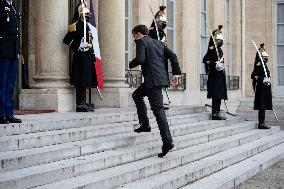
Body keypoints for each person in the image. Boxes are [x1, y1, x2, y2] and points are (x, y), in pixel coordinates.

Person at [129, 24, 181, 157]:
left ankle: (168, 142)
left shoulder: (141, 41)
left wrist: (129, 64)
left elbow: (140, 59)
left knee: (158, 111)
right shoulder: (158, 43)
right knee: (137, 95)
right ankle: (145, 124)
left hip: (153, 82)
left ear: (139, 34)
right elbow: (173, 56)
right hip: (157, 80)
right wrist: (176, 73)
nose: (134, 38)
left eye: (134, 35)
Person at [63, 3, 98, 112]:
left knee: (87, 80)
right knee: (81, 80)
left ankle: (85, 102)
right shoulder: (75, 26)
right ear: (80, 14)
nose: (87, 17)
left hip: (88, 56)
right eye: (85, 14)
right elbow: (66, 39)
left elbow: (90, 42)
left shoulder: (87, 26)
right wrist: (78, 45)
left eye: (88, 15)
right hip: (80, 56)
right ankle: (79, 103)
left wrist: (92, 54)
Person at [0, 0, 22, 124]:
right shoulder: (2, 5)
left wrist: (18, 50)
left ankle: (9, 113)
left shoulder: (13, 7)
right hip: (3, 50)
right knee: (1, 83)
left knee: (10, 85)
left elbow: (17, 33)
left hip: (13, 51)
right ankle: (1, 113)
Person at [202, 25, 228, 120]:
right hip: (214, 75)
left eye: (220, 40)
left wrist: (220, 65)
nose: (220, 42)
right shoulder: (212, 49)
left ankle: (217, 112)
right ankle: (214, 114)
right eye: (218, 40)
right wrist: (214, 64)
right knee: (216, 94)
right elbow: (205, 60)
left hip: (220, 75)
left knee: (220, 94)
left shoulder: (219, 50)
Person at [251, 43, 272, 129]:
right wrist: (261, 79)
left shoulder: (265, 66)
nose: (266, 59)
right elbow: (253, 76)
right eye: (264, 57)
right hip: (261, 89)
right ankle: (261, 124)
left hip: (266, 88)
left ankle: (262, 122)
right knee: (262, 106)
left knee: (264, 106)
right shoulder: (258, 65)